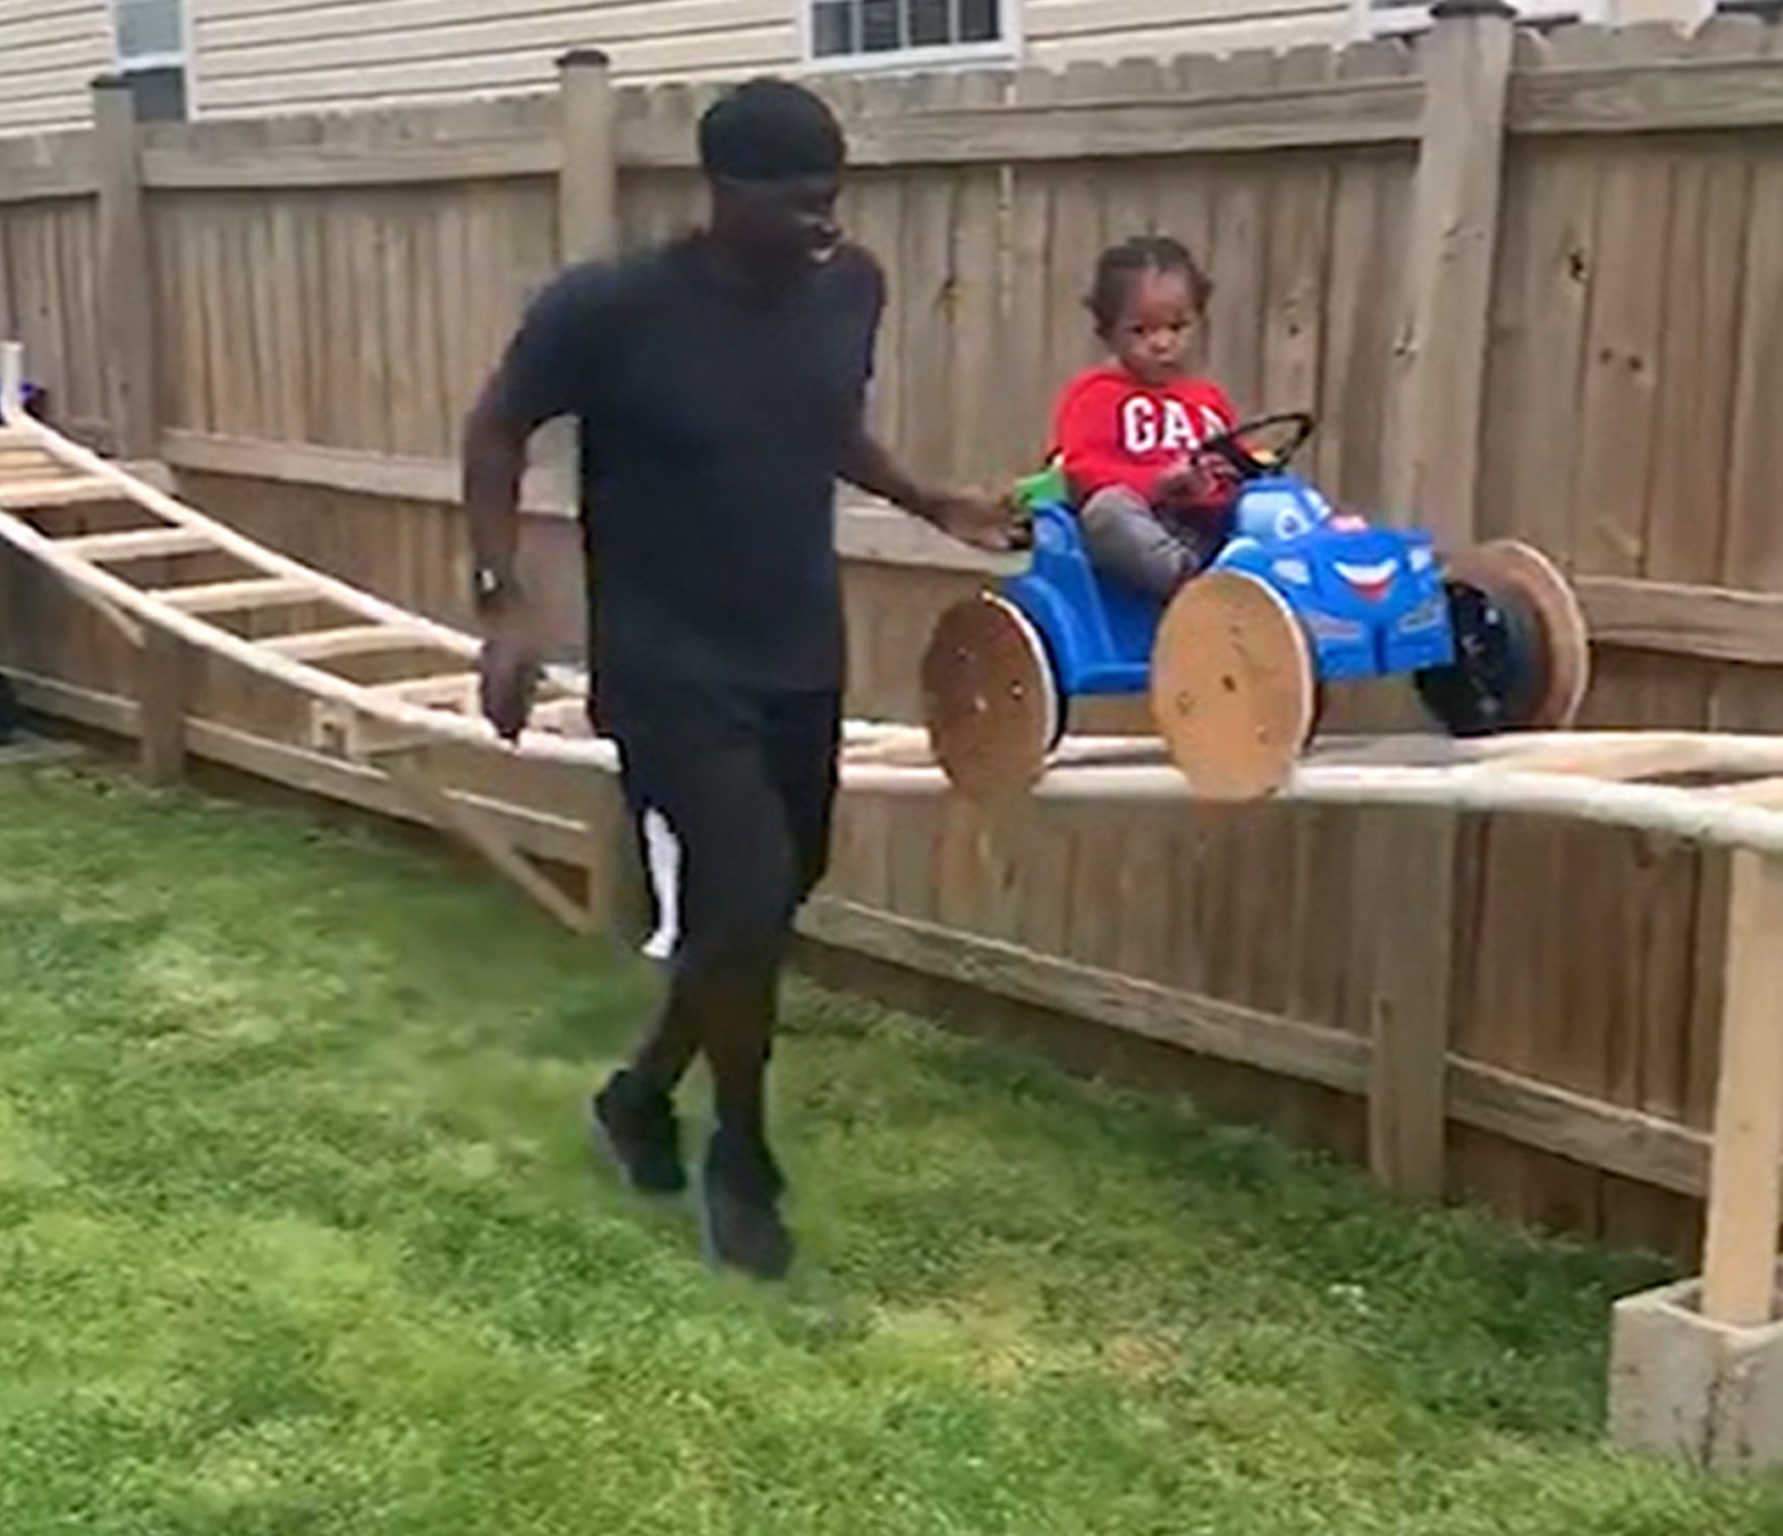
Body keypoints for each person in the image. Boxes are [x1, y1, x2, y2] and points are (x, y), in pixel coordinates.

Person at [458, 77, 1021, 1282]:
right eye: (794, 202)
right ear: (720, 192)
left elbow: (819, 423)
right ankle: (743, 1161)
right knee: (748, 889)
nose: (821, 223)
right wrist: (503, 608)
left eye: (832, 199)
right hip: (665, 662)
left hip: (796, 650)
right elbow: (496, 429)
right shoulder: (610, 311)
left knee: (766, 899)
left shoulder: (846, 289)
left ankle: (639, 1094)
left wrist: (929, 501)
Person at [1050, 236, 1242, 599]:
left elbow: (1234, 461)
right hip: (1141, 536)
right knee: (1107, 512)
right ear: (1107, 334)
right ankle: (1194, 589)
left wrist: (1235, 472)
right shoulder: (1095, 394)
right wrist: (1158, 482)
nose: (1162, 343)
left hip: (1208, 529)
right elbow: (1082, 472)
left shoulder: (1207, 399)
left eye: (1177, 327)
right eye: (1141, 331)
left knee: (1272, 504)